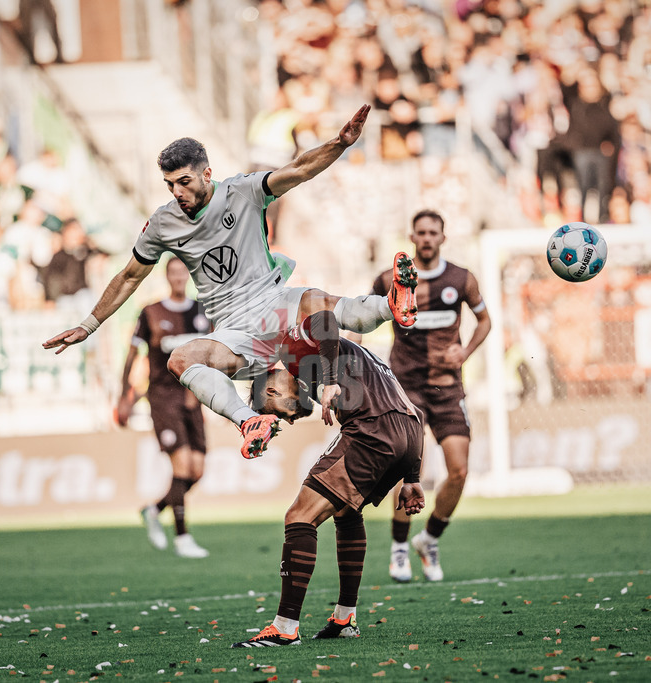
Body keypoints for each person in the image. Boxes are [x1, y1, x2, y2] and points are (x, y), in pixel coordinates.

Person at [44, 104, 418, 460]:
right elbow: (129, 276)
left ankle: (393, 304)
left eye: (184, 181)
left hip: (273, 302)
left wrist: (339, 144)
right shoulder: (162, 223)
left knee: (320, 302)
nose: (177, 192)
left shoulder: (242, 191)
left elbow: (300, 169)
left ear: (207, 174)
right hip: (235, 330)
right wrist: (88, 324)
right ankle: (250, 422)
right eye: (170, 184)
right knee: (180, 360)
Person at [232, 310, 426, 647]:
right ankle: (344, 618)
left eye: (278, 415)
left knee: (299, 516)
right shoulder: (346, 362)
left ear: (272, 392)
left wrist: (332, 380)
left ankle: (285, 627)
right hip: (409, 432)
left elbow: (324, 320)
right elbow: (415, 412)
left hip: (373, 430)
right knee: (346, 511)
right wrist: (411, 476)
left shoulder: (290, 352)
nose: (289, 421)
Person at [369, 210, 491, 583]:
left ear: (442, 237)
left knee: (459, 470)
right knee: (410, 470)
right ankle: (399, 548)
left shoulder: (461, 279)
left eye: (432, 232)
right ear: (412, 237)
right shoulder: (389, 280)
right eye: (420, 232)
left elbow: (485, 320)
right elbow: (361, 319)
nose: (426, 238)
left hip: (448, 387)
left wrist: (465, 351)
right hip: (405, 388)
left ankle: (429, 539)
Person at [119, 257, 211, 558]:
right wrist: (123, 396)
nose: (179, 277)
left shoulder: (202, 312)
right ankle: (182, 538)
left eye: (183, 272)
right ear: (167, 276)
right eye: (173, 272)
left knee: (196, 471)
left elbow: (213, 355)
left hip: (193, 398)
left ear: (188, 275)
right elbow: (132, 354)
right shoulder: (152, 312)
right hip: (162, 397)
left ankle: (154, 510)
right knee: (181, 465)